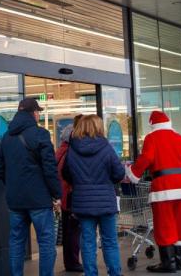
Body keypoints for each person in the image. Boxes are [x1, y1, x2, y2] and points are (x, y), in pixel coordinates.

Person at [0, 97, 62, 276]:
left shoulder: (7, 137)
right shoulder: (41, 134)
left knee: (16, 242)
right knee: (46, 242)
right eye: (38, 111)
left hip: (16, 200)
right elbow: (49, 168)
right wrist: (56, 194)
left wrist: (12, 186)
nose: (38, 114)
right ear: (33, 113)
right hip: (39, 200)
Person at [126, 111, 181, 273]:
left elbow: (146, 158)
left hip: (164, 187)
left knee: (164, 224)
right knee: (180, 223)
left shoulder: (152, 138)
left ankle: (168, 263)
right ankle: (178, 260)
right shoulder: (179, 137)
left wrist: (133, 172)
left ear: (152, 125)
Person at [63, 115, 126, 276]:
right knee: (110, 241)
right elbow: (119, 173)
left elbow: (66, 173)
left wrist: (79, 183)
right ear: (97, 127)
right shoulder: (106, 148)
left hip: (83, 203)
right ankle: (114, 273)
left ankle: (91, 273)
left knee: (88, 242)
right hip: (105, 202)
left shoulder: (72, 149)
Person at [56, 118, 83, 272]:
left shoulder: (61, 150)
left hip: (64, 197)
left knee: (68, 232)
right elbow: (69, 174)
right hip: (71, 197)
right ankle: (73, 262)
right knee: (73, 233)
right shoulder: (70, 152)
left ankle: (70, 262)